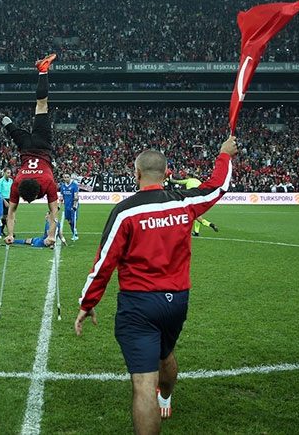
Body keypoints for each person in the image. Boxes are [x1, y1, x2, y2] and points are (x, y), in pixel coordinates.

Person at [74, 136, 239, 434]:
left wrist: (87, 303)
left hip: (139, 304)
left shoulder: (126, 211)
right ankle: (166, 397)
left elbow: (104, 264)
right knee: (166, 353)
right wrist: (224, 155)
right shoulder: (184, 201)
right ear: (166, 174)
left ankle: (157, 395)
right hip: (177, 301)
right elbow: (218, 186)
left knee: (142, 383)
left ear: (136, 174)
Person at [1, 53, 60, 247]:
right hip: (25, 147)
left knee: (42, 105)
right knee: (15, 129)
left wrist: (50, 236)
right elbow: (53, 213)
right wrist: (10, 234)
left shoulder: (48, 181)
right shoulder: (17, 182)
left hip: (42, 146)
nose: (29, 201)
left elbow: (53, 213)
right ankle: (8, 123)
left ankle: (43, 71)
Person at [59, 172, 80, 241]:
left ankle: (75, 234)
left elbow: (76, 196)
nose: (66, 179)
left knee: (73, 221)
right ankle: (74, 232)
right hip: (66, 206)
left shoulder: (74, 185)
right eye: (65, 177)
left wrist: (74, 205)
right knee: (69, 221)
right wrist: (59, 205)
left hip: (73, 206)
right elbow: (61, 197)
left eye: (67, 177)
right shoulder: (62, 186)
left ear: (70, 177)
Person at [0, 167, 13, 235]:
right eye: (7, 173)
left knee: (9, 216)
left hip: (10, 199)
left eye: (10, 173)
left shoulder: (11, 181)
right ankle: (3, 230)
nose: (9, 174)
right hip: (3, 199)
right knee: (5, 216)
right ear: (4, 173)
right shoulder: (0, 181)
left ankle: (6, 231)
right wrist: (4, 201)